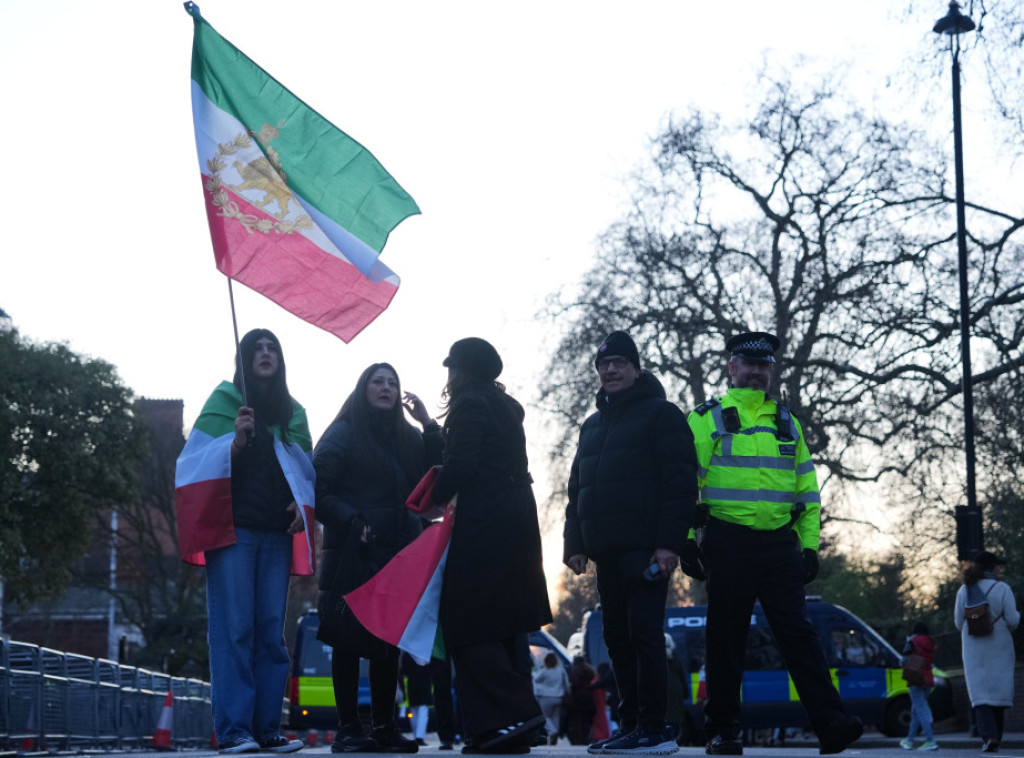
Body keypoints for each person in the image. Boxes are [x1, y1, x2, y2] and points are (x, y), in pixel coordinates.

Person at [687, 331, 862, 756]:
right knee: (726, 638)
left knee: (799, 635)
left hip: (780, 544)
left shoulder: (788, 422)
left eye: (764, 365)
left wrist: (808, 546)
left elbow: (808, 493)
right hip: (728, 539)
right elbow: (685, 485)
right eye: (748, 364)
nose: (757, 372)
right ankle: (723, 730)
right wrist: (687, 539)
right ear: (731, 367)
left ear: (771, 370)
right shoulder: (705, 418)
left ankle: (831, 724)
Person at [175, 328, 313, 755]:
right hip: (233, 534)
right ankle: (235, 731)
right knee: (235, 630)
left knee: (271, 633)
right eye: (257, 348)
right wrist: (235, 442)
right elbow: (192, 464)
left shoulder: (294, 414)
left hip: (274, 536)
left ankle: (267, 730)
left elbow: (306, 474)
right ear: (245, 358)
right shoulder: (224, 403)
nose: (266, 354)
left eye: (273, 348)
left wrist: (299, 504)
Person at [563, 330, 701, 756]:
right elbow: (578, 488)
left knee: (644, 637)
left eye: (619, 362)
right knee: (618, 641)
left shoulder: (662, 414)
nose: (610, 369)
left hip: (645, 550)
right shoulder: (592, 426)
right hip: (606, 551)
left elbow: (680, 484)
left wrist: (668, 544)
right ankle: (630, 726)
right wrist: (575, 544)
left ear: (637, 369)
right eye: (604, 365)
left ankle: (655, 728)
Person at [428, 337, 552, 754]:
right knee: (504, 621)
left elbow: (462, 462)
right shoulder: (504, 406)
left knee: (468, 619)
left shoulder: (470, 403)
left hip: (485, 519)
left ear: (461, 370)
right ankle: (508, 725)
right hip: (517, 516)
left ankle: (505, 716)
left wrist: (430, 498)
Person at [313, 363, 443, 754]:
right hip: (352, 550)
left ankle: (385, 727)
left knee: (388, 642)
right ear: (363, 388)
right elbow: (318, 486)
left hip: (397, 554)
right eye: (378, 382)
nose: (386, 388)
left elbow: (435, 475)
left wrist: (429, 425)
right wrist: (351, 519)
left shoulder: (407, 436)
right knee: (348, 641)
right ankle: (349, 728)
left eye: (392, 383)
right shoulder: (344, 432)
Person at [954, 550, 1020, 753]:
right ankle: (996, 737)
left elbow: (958, 623)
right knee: (998, 695)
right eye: (998, 566)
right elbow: (1013, 620)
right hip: (999, 646)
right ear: (992, 568)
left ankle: (989, 737)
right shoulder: (1002, 588)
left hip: (973, 648)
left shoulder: (964, 591)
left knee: (980, 695)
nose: (1000, 569)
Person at [899, 621, 938, 751]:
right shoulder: (931, 642)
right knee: (916, 710)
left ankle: (930, 740)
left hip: (915, 678)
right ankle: (909, 740)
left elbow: (903, 660)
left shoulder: (912, 641)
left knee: (920, 710)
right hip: (928, 679)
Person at [533, 653, 570, 745]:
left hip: (546, 697)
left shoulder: (545, 671)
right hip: (559, 697)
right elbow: (566, 684)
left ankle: (552, 732)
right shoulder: (561, 670)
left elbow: (536, 679)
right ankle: (554, 737)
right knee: (555, 717)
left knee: (544, 717)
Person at [566, 656, 599, 746]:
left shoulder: (575, 670)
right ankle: (586, 740)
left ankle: (578, 741)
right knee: (586, 722)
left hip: (578, 698)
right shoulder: (589, 670)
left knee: (577, 722)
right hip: (589, 698)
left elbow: (574, 683)